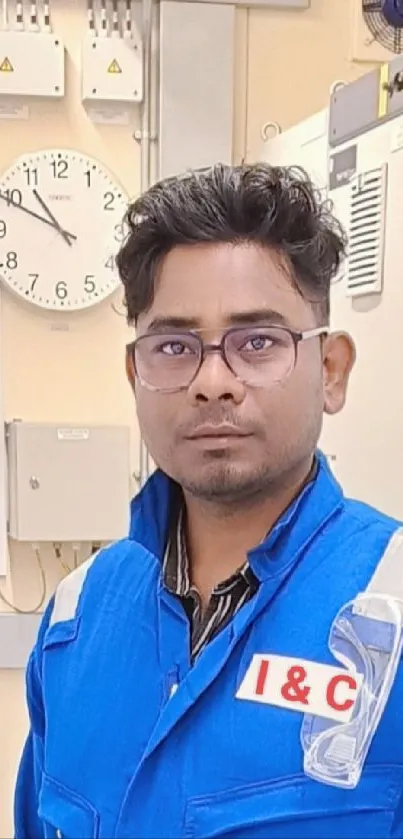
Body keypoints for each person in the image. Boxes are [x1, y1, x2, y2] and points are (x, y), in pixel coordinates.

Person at [14, 163, 403, 839]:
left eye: (257, 342)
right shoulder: (75, 622)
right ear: (136, 373)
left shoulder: (389, 613)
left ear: (330, 371)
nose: (213, 382)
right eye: (173, 346)